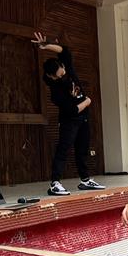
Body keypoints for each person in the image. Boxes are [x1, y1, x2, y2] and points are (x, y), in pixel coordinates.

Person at [31, 32, 105, 196]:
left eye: (63, 70)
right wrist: (86, 102)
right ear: (52, 76)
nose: (63, 74)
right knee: (63, 150)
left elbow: (64, 51)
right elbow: (71, 110)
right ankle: (55, 183)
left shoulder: (67, 69)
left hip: (83, 118)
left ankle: (85, 180)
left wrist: (46, 46)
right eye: (60, 75)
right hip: (69, 121)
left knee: (82, 148)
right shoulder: (55, 92)